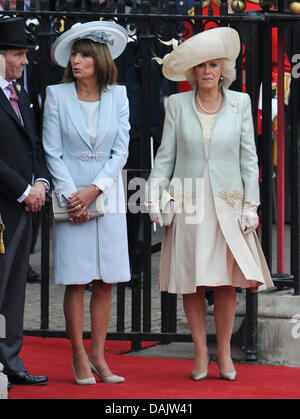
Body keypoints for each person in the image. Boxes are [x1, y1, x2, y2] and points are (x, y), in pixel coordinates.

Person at [146, 27, 274, 382]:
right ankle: (201, 352)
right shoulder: (177, 104)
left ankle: (225, 353)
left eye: (213, 65)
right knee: (193, 281)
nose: (207, 71)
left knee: (225, 282)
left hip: (228, 205)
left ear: (223, 70)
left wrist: (252, 205)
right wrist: (155, 196)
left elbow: (250, 159)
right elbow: (164, 158)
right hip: (188, 204)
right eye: (201, 66)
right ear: (193, 71)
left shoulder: (241, 103)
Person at [42, 21, 131, 385]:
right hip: (70, 200)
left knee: (106, 280)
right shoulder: (56, 94)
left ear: (99, 60)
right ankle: (78, 355)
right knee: (76, 281)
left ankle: (99, 353)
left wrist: (95, 188)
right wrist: (71, 194)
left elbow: (120, 150)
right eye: (74, 56)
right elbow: (52, 150)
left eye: (83, 56)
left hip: (107, 196)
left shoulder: (119, 96)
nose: (76, 62)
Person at [0, 17, 49, 388]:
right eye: (18, 54)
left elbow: (34, 146)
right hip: (5, 205)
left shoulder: (23, 94)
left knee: (15, 289)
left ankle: (10, 362)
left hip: (24, 206)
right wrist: (22, 189)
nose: (25, 61)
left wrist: (42, 182)